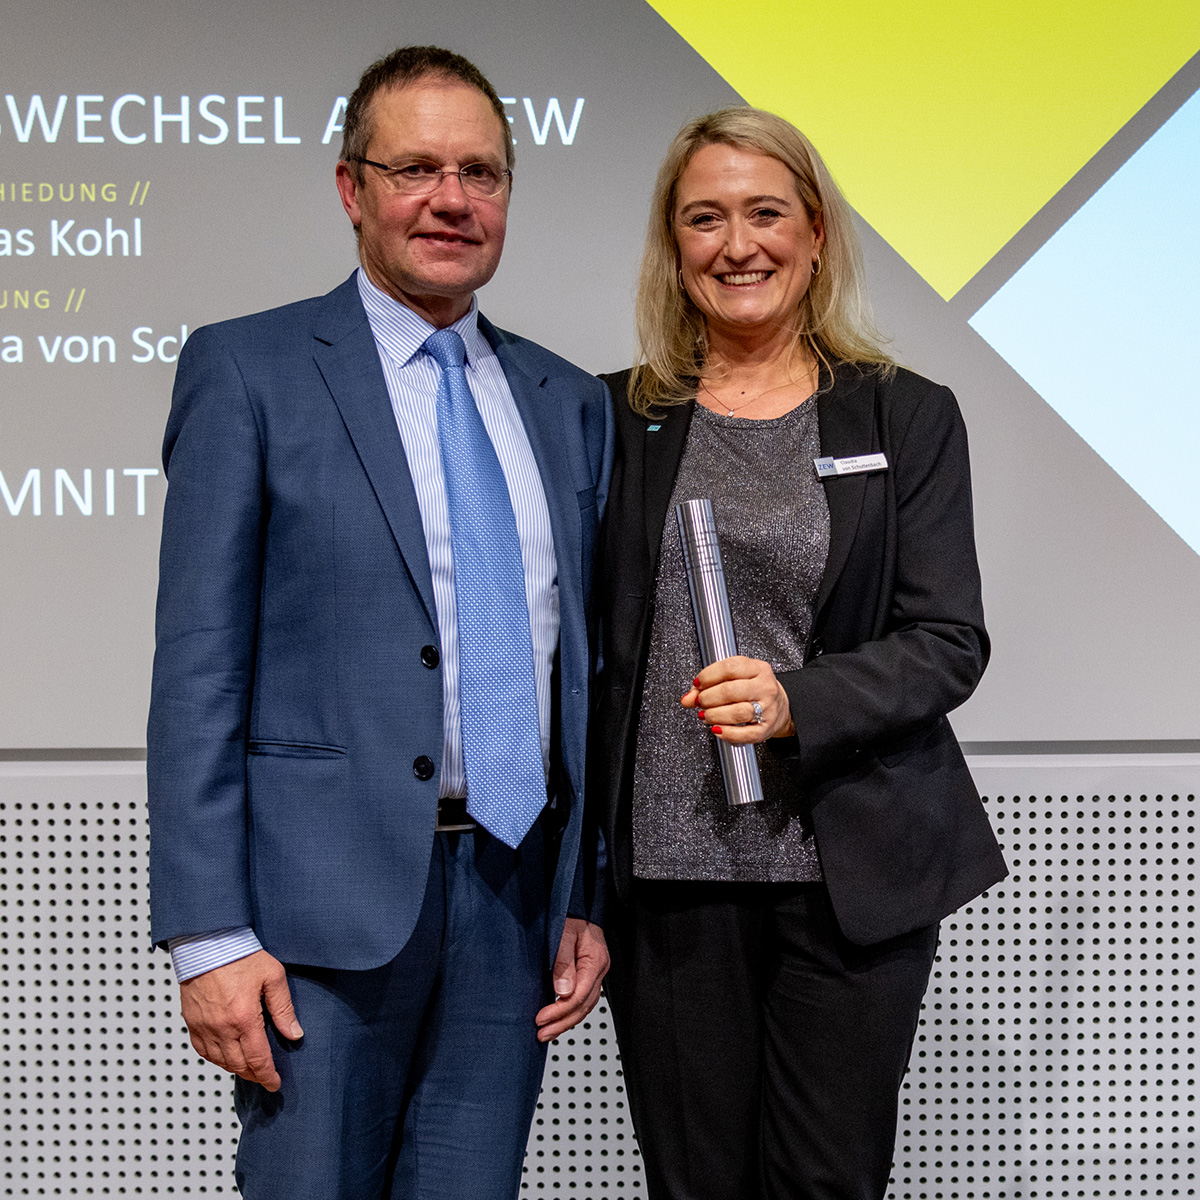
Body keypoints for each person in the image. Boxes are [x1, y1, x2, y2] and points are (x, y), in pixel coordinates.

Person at [146, 45, 612, 1200]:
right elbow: (200, 668)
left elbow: (586, 674)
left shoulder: (567, 400)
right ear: (352, 189)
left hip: (511, 902)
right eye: (415, 169)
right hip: (316, 918)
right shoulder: (247, 370)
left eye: (480, 173)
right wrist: (209, 935)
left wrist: (583, 895)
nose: (451, 200)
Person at [592, 106, 1007, 1200]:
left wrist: (797, 702)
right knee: (696, 1185)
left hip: (848, 873)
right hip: (670, 876)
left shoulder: (905, 415)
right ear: (674, 245)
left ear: (816, 233)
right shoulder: (613, 419)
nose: (739, 245)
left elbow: (948, 641)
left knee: (828, 1184)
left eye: (767, 213)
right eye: (705, 218)